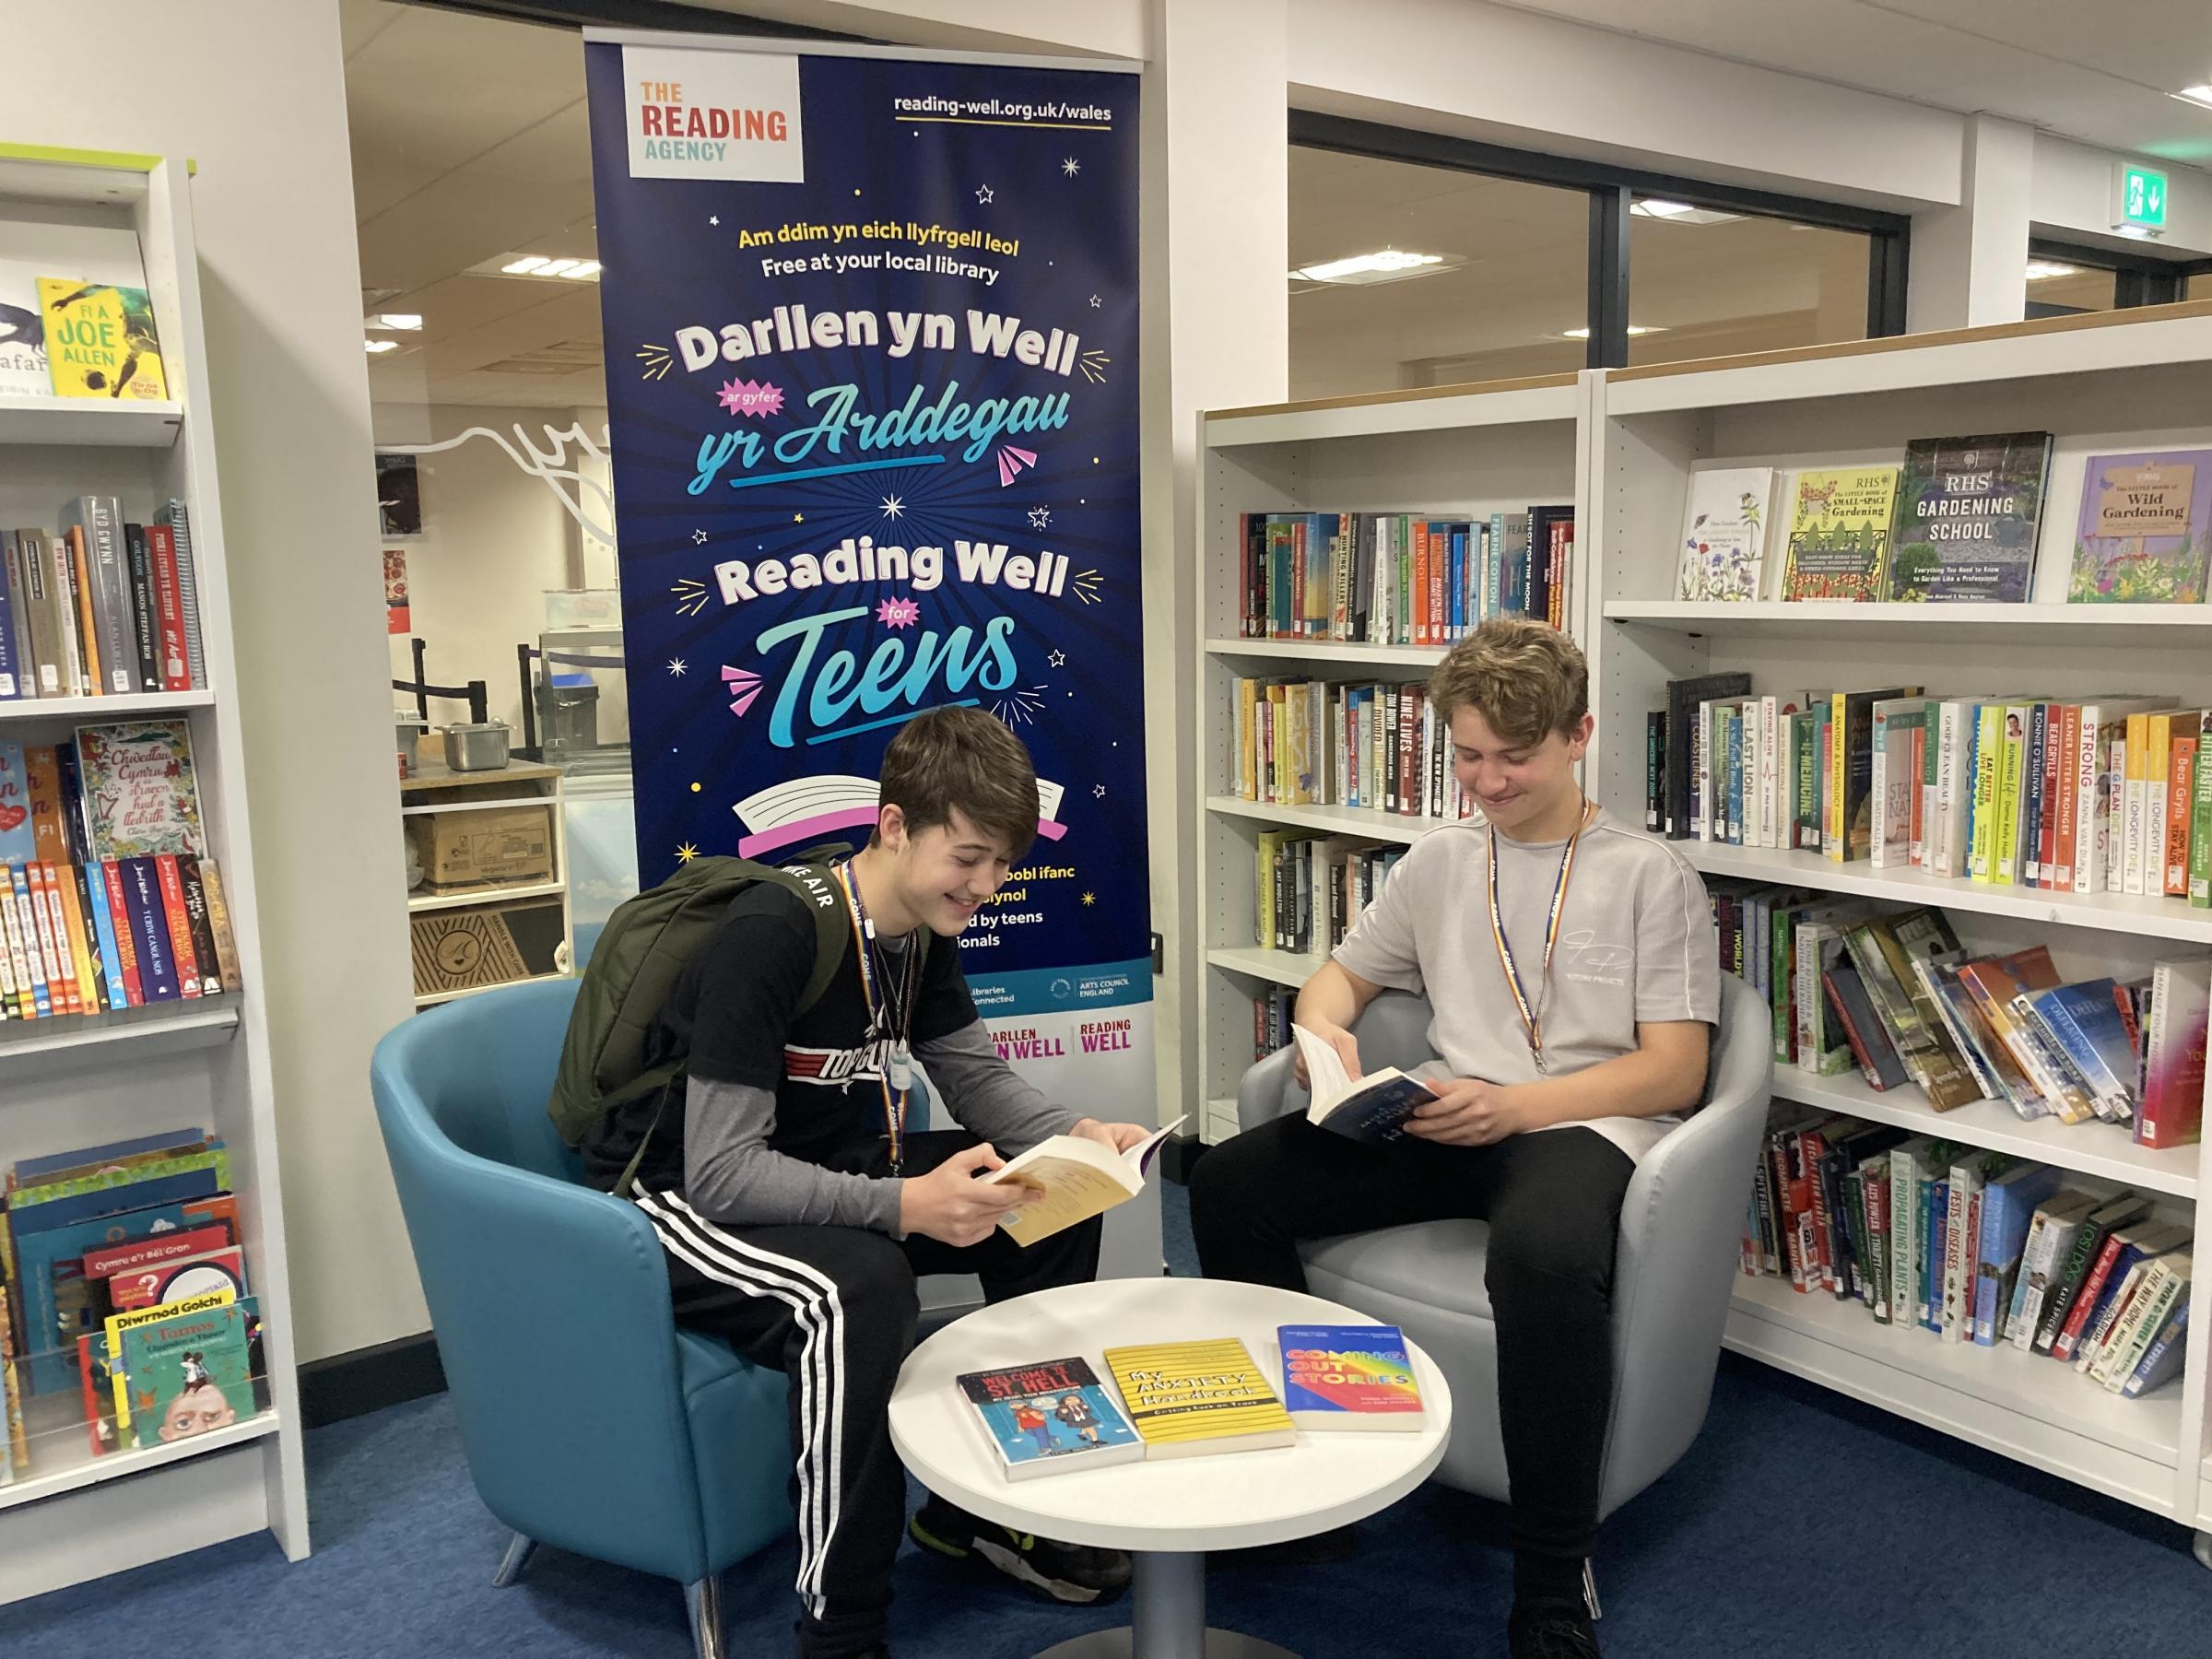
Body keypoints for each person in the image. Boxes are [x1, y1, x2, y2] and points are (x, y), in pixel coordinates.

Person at [1189, 618, 1717, 1659]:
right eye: (1468, 755)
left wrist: (1514, 1108)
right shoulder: (1438, 860)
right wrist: (1321, 1025)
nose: (1488, 780)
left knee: (1544, 1262)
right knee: (1227, 1185)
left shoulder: (1650, 876)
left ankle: (1551, 1580)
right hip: (1440, 1113)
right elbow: (1344, 973)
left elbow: (1677, 1071)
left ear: (1576, 737)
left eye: (1514, 757)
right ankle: (1317, 1483)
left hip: (1579, 1124)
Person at [581, 707, 1149, 1659]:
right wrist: (903, 1207)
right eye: (967, 858)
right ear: (894, 827)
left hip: (824, 1173)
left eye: (1003, 863)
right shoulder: (772, 933)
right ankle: (841, 1629)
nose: (987, 885)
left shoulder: (918, 931)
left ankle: (989, 1514)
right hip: (674, 1202)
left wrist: (1076, 1141)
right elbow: (722, 1172)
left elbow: (974, 1077)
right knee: (860, 1292)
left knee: (1039, 1205)